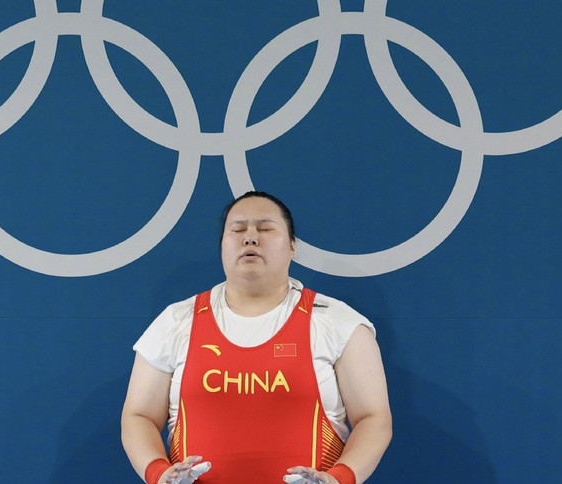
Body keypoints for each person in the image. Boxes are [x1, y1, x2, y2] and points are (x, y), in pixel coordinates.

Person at [122, 191, 392, 484]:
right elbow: (139, 416)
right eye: (237, 229)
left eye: (265, 228)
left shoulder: (339, 322)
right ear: (223, 246)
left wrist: (339, 479)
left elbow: (373, 419)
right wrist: (158, 473)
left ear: (292, 246)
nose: (250, 238)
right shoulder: (176, 321)